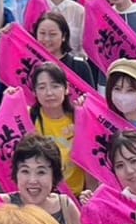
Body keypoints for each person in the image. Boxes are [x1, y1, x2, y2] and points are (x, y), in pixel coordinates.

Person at [26, 63, 90, 195]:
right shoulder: (27, 118)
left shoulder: (80, 118)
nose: (49, 93)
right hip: (40, 198)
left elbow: (91, 163)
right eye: (42, 87)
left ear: (66, 88)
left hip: (77, 198)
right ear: (34, 92)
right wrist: (9, 101)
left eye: (55, 86)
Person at [35, 12, 95, 88]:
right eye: (42, 33)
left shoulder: (79, 66)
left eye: (52, 34)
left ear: (64, 36)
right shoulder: (33, 65)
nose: (47, 39)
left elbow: (91, 97)